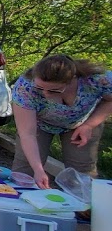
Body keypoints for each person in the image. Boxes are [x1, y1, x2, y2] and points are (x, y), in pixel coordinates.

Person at [11, 55, 112, 188]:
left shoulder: (98, 79)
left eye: (54, 90)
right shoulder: (25, 87)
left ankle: (82, 207)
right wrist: (38, 170)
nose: (46, 94)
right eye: (40, 88)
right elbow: (27, 134)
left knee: (82, 171)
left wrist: (89, 125)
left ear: (72, 80)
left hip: (82, 123)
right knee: (26, 167)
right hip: (40, 124)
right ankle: (19, 204)